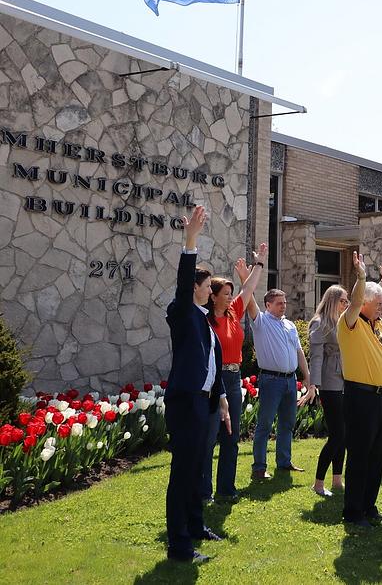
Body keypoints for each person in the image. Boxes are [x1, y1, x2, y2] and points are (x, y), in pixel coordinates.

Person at [163, 204, 230, 563]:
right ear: (195, 288)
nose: (210, 289)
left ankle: (195, 526)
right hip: (185, 402)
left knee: (197, 469)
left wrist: (218, 400)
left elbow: (211, 367)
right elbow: (183, 279)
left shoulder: (206, 322)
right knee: (183, 473)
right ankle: (179, 546)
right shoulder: (182, 312)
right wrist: (190, 240)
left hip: (202, 403)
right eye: (206, 285)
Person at [200, 243, 267, 503]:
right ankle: (204, 492)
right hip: (213, 380)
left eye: (231, 293)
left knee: (231, 436)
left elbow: (248, 289)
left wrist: (260, 263)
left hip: (233, 377)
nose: (230, 297)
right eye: (225, 293)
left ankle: (226, 490)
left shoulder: (233, 313)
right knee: (209, 439)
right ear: (212, 295)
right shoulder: (204, 320)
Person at [338, 252, 382, 528]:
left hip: (380, 397)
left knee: (377, 456)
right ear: (364, 303)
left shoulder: (379, 324)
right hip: (359, 397)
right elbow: (358, 300)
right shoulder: (349, 323)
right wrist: (362, 277)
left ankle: (369, 506)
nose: (381, 307)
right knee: (360, 456)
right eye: (378, 303)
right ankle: (353, 512)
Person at [248, 288, 315, 480]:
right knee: (265, 425)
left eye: (284, 303)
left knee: (287, 424)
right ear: (268, 305)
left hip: (290, 381)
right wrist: (247, 277)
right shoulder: (261, 322)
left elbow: (299, 352)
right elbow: (250, 301)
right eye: (279, 303)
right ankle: (259, 468)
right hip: (270, 381)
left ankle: (284, 462)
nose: (283, 306)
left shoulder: (290, 325)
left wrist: (307, 376)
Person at [308, 285, 349, 497]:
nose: (346, 304)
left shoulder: (340, 321)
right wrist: (313, 385)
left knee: (342, 435)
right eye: (343, 301)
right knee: (337, 435)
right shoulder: (320, 322)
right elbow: (315, 357)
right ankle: (318, 483)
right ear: (332, 300)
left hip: (343, 380)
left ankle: (337, 480)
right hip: (329, 382)